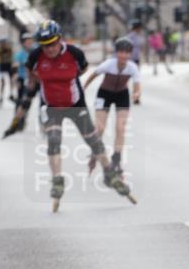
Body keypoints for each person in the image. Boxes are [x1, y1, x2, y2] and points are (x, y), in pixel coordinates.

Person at [18, 21, 132, 208]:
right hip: (51, 106)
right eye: (45, 45)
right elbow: (31, 75)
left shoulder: (74, 53)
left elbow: (83, 69)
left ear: (60, 39)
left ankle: (109, 174)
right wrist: (28, 96)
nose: (50, 49)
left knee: (93, 141)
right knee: (53, 140)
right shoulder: (35, 56)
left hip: (75, 104)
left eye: (53, 43)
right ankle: (57, 180)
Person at [82, 37, 141, 176]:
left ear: (130, 54)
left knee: (120, 128)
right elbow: (94, 75)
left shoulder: (132, 67)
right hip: (105, 94)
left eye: (127, 53)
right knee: (100, 128)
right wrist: (83, 87)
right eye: (121, 52)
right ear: (116, 53)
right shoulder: (109, 64)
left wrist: (137, 93)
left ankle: (116, 159)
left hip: (122, 94)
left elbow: (137, 84)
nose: (124, 56)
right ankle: (94, 153)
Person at [0, 37, 14, 106]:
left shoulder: (9, 50)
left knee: (11, 80)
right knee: (3, 83)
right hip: (2, 67)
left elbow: (12, 58)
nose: (5, 44)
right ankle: (1, 96)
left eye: (6, 43)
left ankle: (11, 93)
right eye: (4, 43)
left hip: (8, 66)